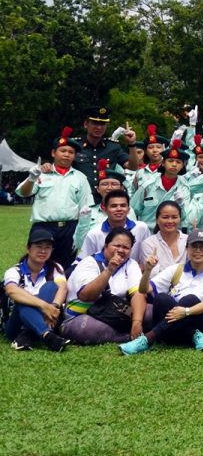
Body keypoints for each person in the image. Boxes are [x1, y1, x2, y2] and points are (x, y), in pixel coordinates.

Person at [119, 229, 203, 354]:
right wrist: (147, 271)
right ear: (187, 248)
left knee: (190, 299)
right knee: (162, 298)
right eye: (194, 246)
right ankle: (193, 334)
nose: (198, 251)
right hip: (171, 331)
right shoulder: (175, 269)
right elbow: (143, 290)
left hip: (196, 321)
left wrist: (185, 312)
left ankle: (148, 338)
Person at [15, 128, 94, 270]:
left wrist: (82, 231)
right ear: (53, 153)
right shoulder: (41, 173)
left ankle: (61, 291)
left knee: (65, 265)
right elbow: (23, 193)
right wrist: (32, 178)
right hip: (44, 226)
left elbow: (85, 207)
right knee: (38, 263)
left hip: (69, 228)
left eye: (71, 152)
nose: (66, 155)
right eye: (63, 151)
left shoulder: (80, 178)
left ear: (74, 156)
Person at [61, 228, 148, 345]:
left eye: (126, 247)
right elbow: (86, 295)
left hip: (116, 311)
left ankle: (134, 329)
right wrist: (109, 270)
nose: (121, 250)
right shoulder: (89, 262)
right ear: (106, 245)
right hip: (84, 314)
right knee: (86, 328)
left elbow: (138, 293)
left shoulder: (131, 264)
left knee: (149, 312)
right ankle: (129, 336)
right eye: (117, 245)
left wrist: (137, 321)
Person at [4, 228, 69, 352]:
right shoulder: (14, 271)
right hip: (15, 325)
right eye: (38, 246)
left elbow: (63, 288)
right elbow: (11, 290)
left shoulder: (55, 268)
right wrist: (45, 306)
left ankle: (27, 335)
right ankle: (47, 335)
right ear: (28, 248)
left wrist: (54, 307)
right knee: (22, 300)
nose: (43, 251)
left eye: (48, 247)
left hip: (48, 318)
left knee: (50, 286)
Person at [79, 189, 151, 260]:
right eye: (114, 206)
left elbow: (148, 255)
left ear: (128, 209)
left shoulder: (141, 228)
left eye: (123, 205)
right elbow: (84, 260)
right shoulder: (95, 233)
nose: (119, 209)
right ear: (105, 209)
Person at [132, 201, 188, 280]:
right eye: (165, 217)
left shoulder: (188, 241)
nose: (170, 221)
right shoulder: (148, 244)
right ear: (157, 220)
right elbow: (152, 275)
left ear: (180, 219)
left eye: (174, 217)